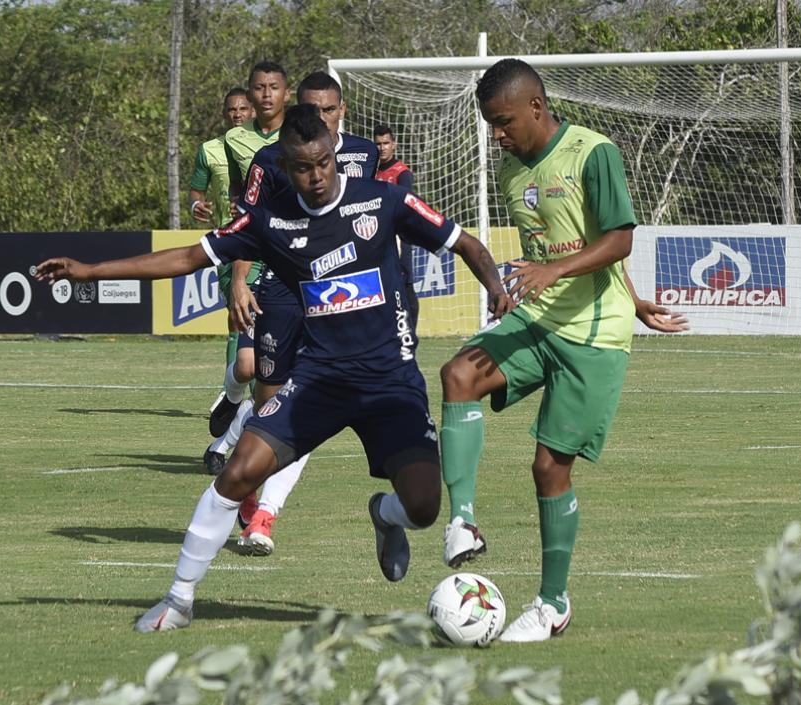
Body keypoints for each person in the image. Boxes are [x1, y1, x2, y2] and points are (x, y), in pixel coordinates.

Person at [34, 104, 512, 633]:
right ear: (285, 165)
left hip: (389, 381)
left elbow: (462, 241)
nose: (316, 176)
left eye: (324, 163)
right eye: (303, 167)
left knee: (422, 507)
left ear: (334, 153)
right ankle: (178, 600)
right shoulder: (268, 221)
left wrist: (494, 286)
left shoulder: (383, 199)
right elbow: (187, 258)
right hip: (319, 379)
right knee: (238, 472)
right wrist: (90, 271)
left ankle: (385, 514)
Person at [437, 58, 686, 644]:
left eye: (502, 122)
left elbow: (618, 237)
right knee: (457, 375)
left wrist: (613, 297)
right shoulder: (509, 172)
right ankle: (464, 523)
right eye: (489, 124)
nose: (496, 134)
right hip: (539, 320)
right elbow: (559, 247)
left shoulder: (592, 152)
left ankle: (553, 604)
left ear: (536, 108)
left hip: (594, 338)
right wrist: (630, 296)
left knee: (549, 469)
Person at [208, 70, 380, 556]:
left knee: (303, 411)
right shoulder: (269, 161)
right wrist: (239, 281)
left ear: (341, 110)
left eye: (327, 110)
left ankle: (264, 516)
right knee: (269, 410)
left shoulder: (364, 156)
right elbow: (249, 227)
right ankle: (244, 489)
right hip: (281, 293)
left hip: (335, 298)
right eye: (309, 109)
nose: (318, 118)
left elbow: (374, 222)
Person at [205, 62, 291, 440]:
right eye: (260, 88)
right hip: (252, 253)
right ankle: (231, 397)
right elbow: (241, 197)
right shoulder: (235, 140)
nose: (267, 94)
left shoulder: (303, 133)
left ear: (287, 93)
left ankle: (233, 447)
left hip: (294, 261)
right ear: (251, 96)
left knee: (274, 376)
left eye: (274, 87)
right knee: (245, 365)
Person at [373, 124, 420, 332]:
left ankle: (409, 334)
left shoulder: (402, 173)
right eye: (378, 144)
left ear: (394, 144)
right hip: (376, 240)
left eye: (386, 143)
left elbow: (405, 206)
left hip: (399, 239)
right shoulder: (370, 172)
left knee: (405, 286)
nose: (382, 148)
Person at [188, 88, 254, 226]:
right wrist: (196, 205)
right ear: (224, 114)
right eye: (231, 110)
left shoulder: (269, 145)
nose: (237, 114)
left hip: (262, 232)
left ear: (253, 112)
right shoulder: (208, 149)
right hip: (228, 232)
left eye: (243, 109)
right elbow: (197, 192)